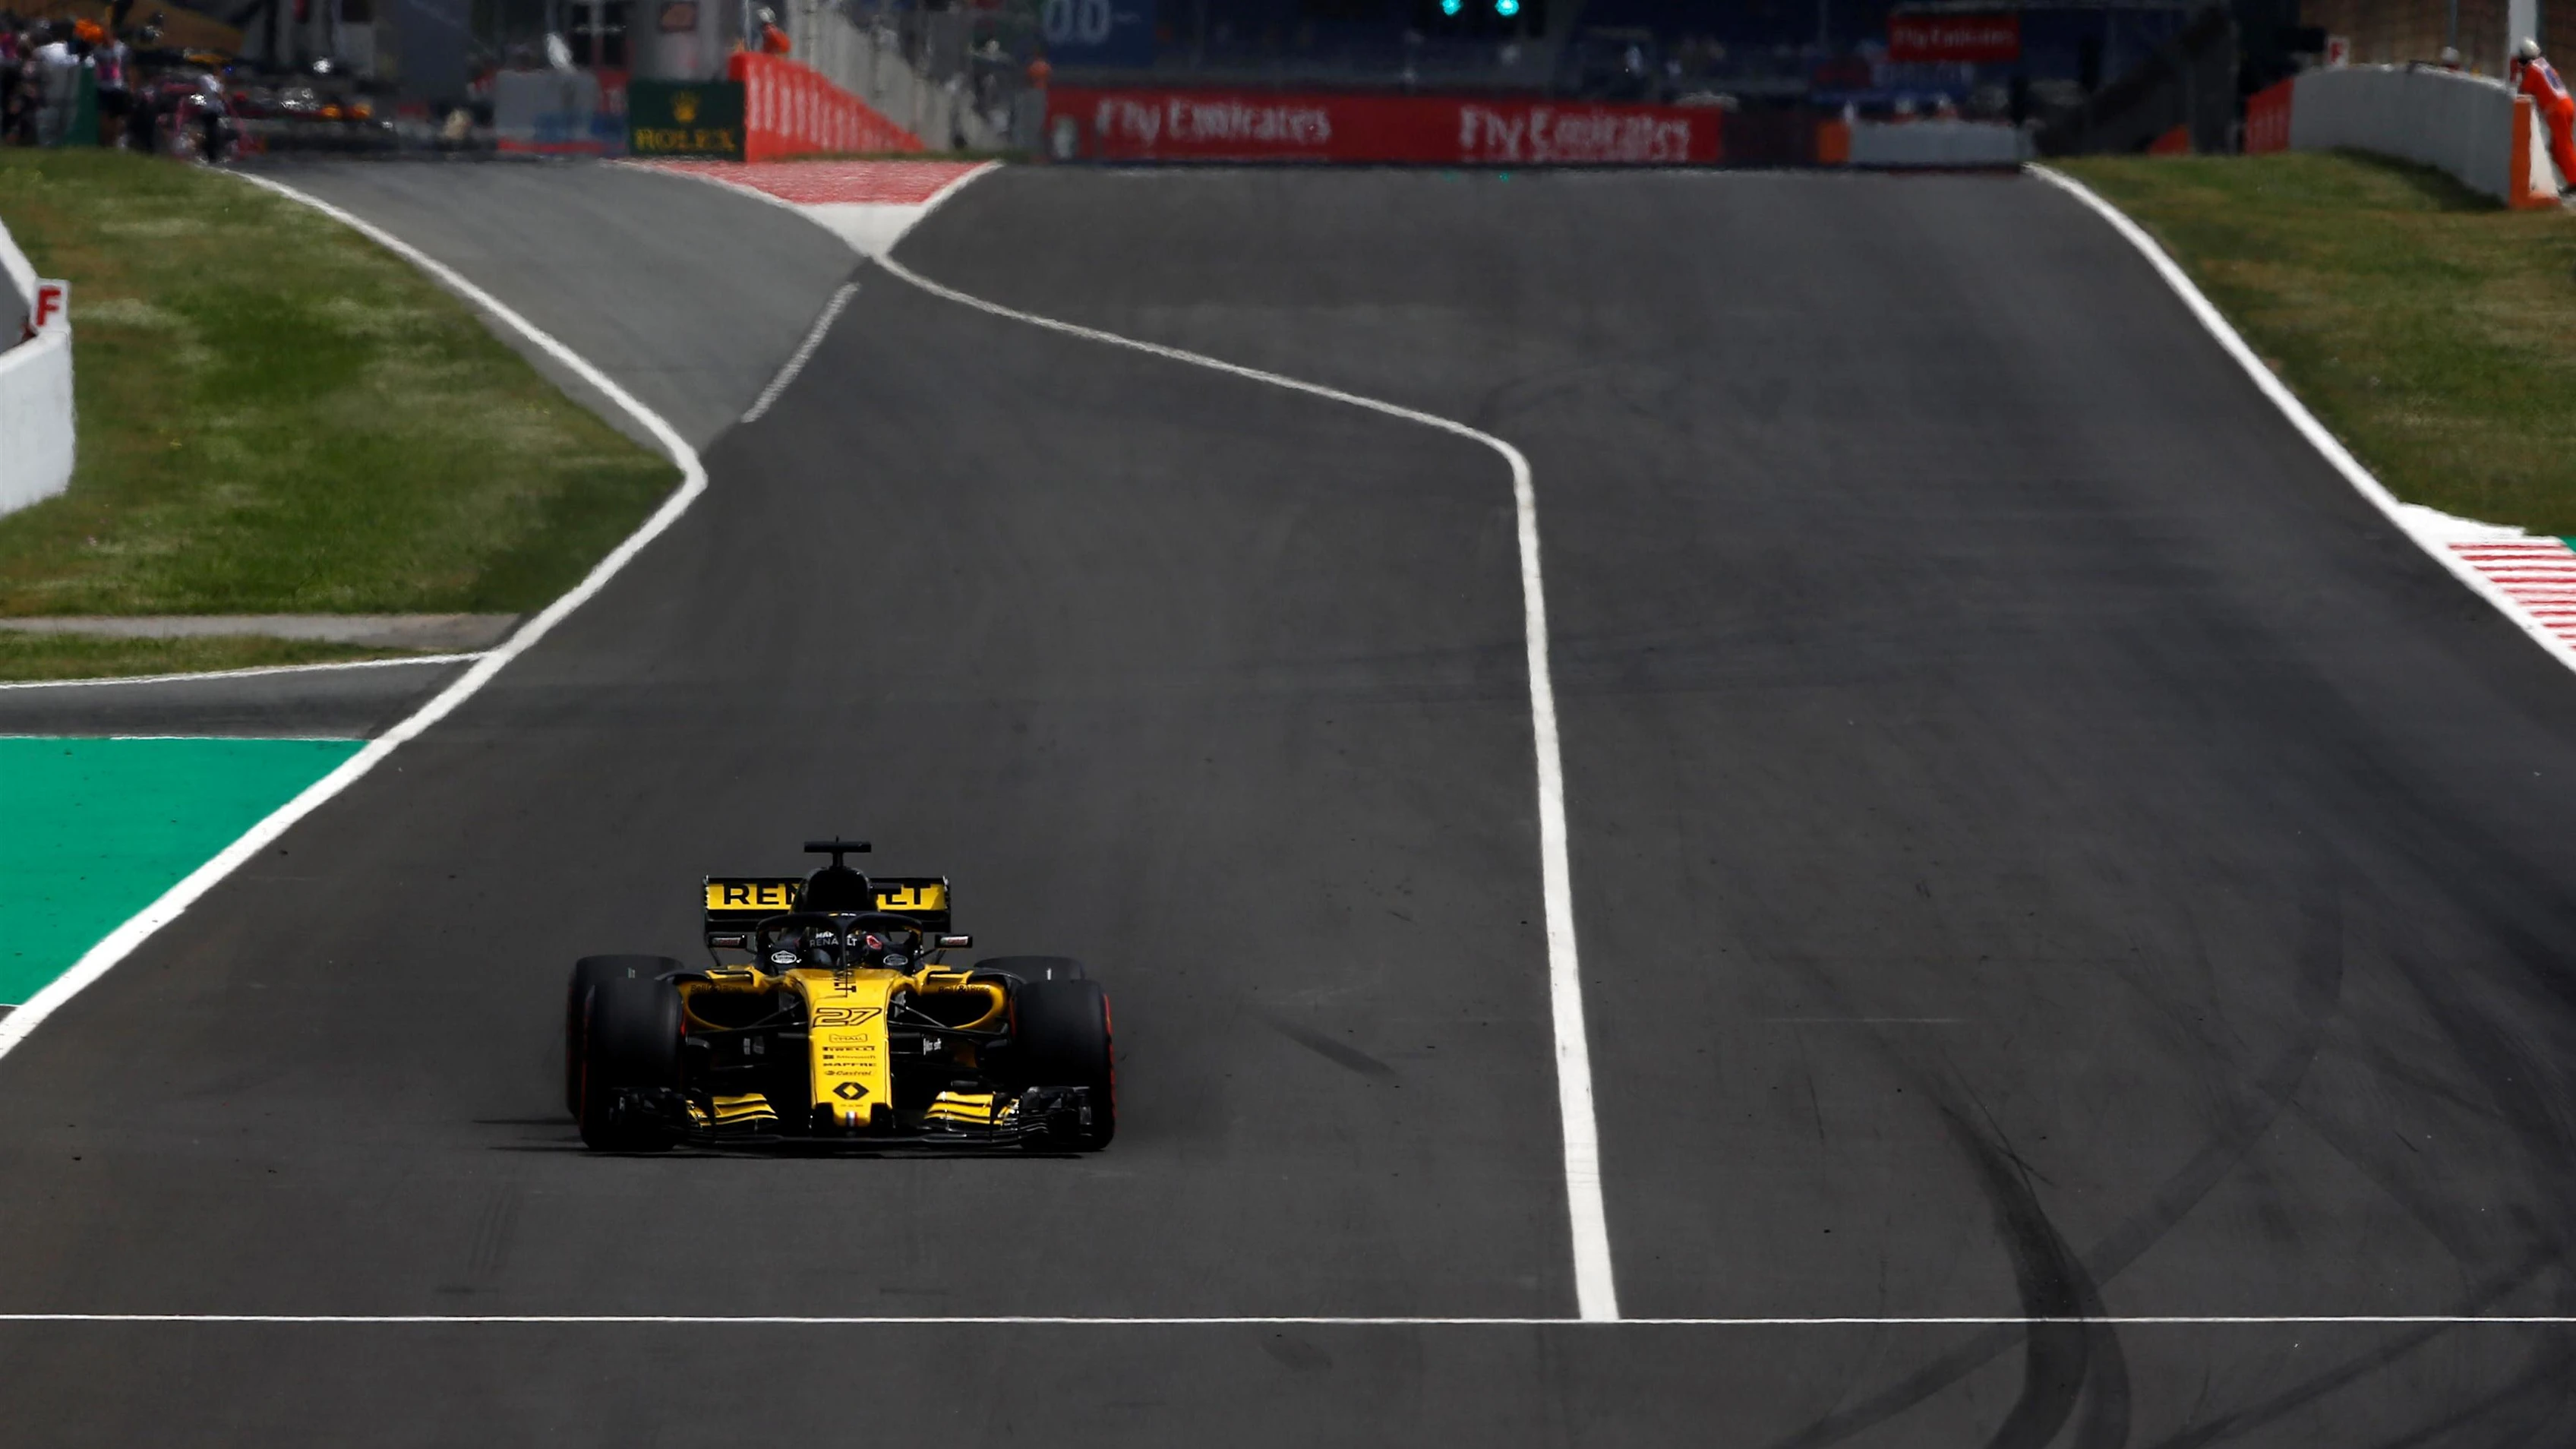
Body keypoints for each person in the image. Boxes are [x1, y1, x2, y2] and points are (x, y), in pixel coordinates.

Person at [2511, 36, 2576, 191]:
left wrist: (2517, 73)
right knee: (2557, 148)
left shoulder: (2533, 70)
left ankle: (2575, 180)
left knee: (2564, 147)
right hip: (2566, 105)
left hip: (2557, 110)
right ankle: (2572, 181)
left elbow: (2523, 92)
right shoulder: (2544, 66)